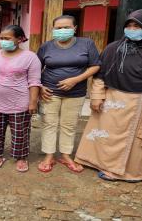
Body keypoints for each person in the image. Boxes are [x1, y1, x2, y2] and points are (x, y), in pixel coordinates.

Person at [75, 9, 142, 182]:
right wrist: (97, 96)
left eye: (137, 26)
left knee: (132, 141)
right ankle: (99, 163)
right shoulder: (113, 48)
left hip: (138, 103)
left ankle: (129, 173)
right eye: (130, 25)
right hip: (113, 98)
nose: (133, 29)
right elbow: (100, 75)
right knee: (105, 134)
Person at [37, 15, 100, 173]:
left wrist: (75, 79)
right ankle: (49, 156)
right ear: (53, 30)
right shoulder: (46, 46)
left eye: (66, 27)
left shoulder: (86, 44)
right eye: (58, 28)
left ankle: (65, 155)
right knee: (49, 123)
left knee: (69, 125)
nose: (62, 30)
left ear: (75, 28)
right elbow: (35, 68)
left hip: (76, 92)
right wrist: (39, 87)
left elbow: (95, 66)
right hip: (49, 91)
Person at [0, 25, 41, 172]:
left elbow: (34, 82)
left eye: (7, 38)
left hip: (19, 102)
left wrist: (33, 102)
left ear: (19, 39)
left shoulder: (30, 57)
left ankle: (21, 157)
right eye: (1, 38)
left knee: (20, 131)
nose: (3, 41)